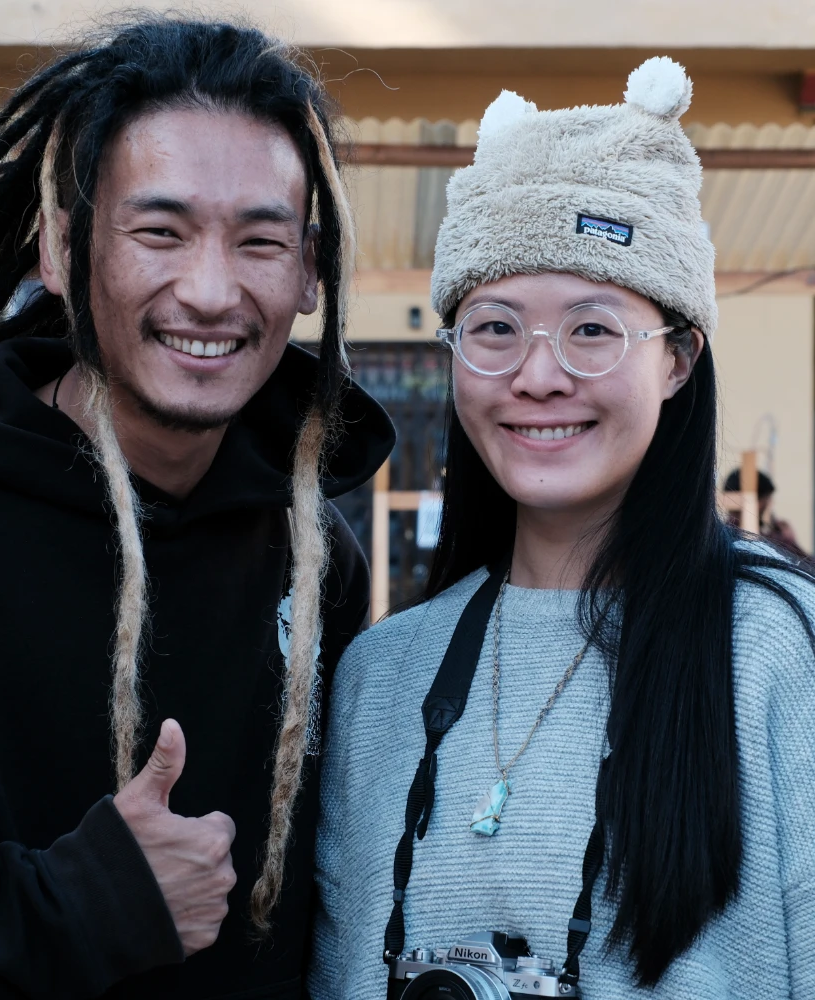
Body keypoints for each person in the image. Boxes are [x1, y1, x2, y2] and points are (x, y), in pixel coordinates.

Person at [0, 18, 393, 1000]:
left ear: (307, 274)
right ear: (61, 249)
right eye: (158, 231)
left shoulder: (315, 559)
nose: (211, 292)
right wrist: (79, 906)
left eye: (259, 240)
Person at [310, 58, 815, 999]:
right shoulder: (383, 677)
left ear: (677, 360)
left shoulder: (777, 653)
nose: (538, 376)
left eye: (592, 329)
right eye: (495, 328)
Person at [723, 468, 811, 561]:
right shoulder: (733, 537)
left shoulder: (775, 530)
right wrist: (785, 540)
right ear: (754, 501)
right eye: (767, 499)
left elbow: (809, 564)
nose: (770, 504)